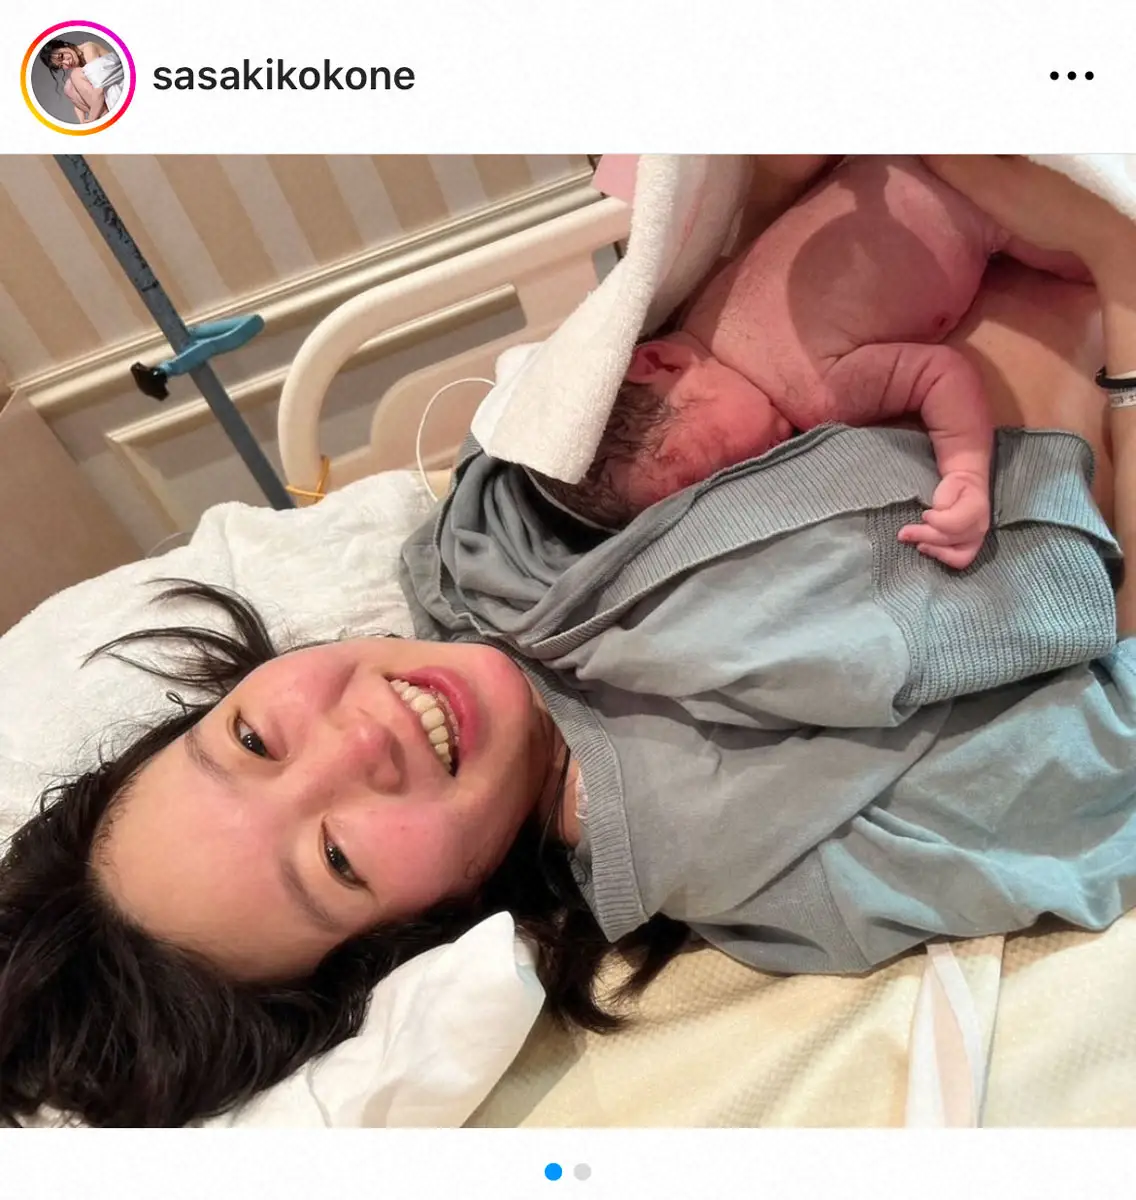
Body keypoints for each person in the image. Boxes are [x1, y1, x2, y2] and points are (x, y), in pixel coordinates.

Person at [0, 156, 1133, 1128]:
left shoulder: (477, 545)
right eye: (336, 859)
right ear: (413, 947)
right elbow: (1103, 735)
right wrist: (1110, 270)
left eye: (252, 740)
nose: (356, 741)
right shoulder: (776, 854)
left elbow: (711, 278)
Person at [580, 155, 1091, 567]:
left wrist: (965, 473)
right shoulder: (707, 300)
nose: (750, 473)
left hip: (985, 200)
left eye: (717, 464)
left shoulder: (816, 393)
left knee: (1102, 258)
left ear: (661, 365)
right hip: (898, 166)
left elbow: (941, 374)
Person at [39, 38, 125, 124]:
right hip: (104, 98)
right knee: (68, 87)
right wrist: (82, 122)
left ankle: (104, 119)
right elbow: (78, 103)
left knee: (75, 75)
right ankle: (103, 117)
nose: (67, 63)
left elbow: (99, 90)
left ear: (65, 45)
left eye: (61, 56)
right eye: (61, 66)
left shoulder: (88, 49)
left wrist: (91, 119)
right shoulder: (78, 66)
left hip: (118, 89)